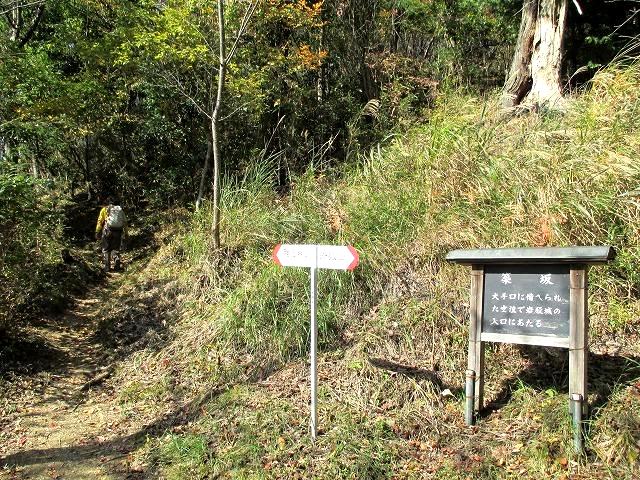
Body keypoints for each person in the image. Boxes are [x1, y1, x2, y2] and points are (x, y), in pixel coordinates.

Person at [95, 196, 128, 272]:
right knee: (116, 249)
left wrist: (97, 231)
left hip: (108, 231)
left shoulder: (105, 209)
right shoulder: (120, 210)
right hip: (118, 232)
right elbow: (125, 223)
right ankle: (117, 266)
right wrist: (126, 233)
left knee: (106, 249)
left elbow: (100, 221)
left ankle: (107, 267)